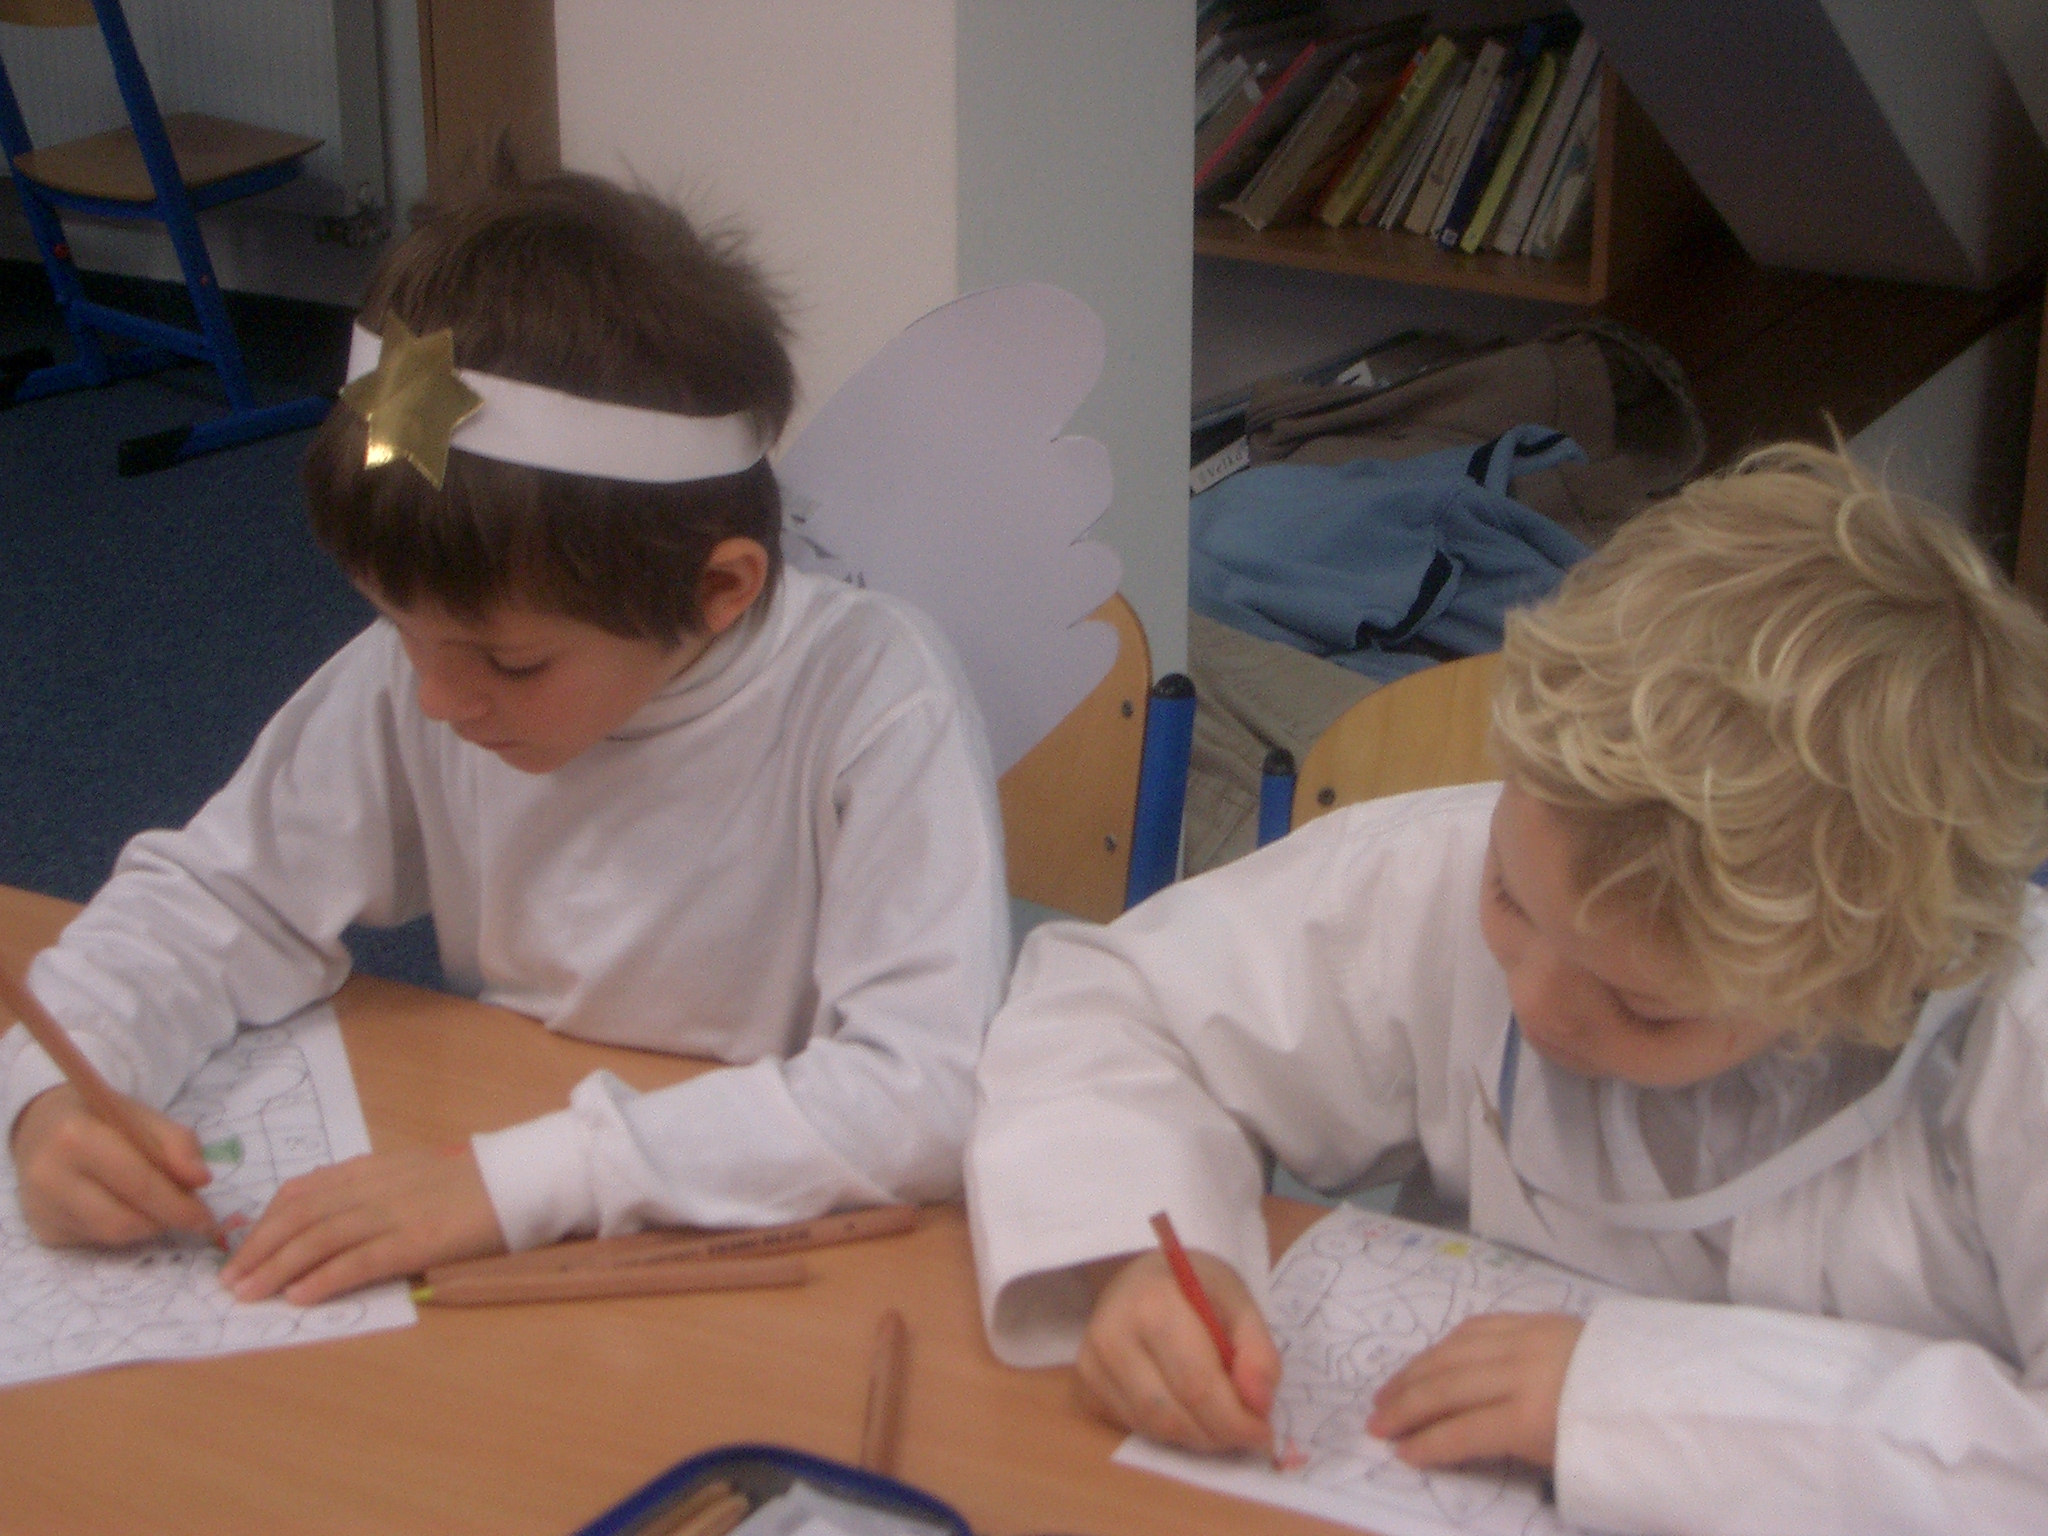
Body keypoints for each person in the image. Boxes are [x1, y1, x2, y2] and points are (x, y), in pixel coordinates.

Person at [965, 443, 2048, 1533]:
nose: (1537, 1004)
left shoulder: (2013, 1048)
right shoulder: (1470, 860)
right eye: (1509, 902)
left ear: (1865, 980)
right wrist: (1144, 1256)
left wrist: (1635, 1400)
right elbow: (1116, 1011)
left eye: (1645, 1009)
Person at [5, 171, 1009, 1306]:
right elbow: (218, 899)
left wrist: (527, 1181)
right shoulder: (435, 669)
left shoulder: (871, 694)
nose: (436, 699)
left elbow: (925, 1088)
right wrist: (56, 1091)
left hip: (768, 1250)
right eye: (398, 629)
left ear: (718, 590)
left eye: (512, 664)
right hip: (511, 1171)